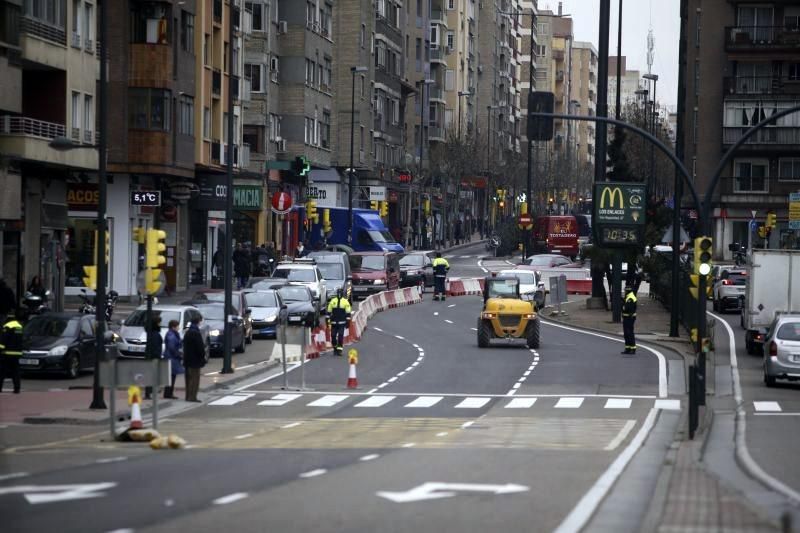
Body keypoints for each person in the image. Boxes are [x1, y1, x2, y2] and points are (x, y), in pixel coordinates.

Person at [183, 315, 206, 402]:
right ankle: (192, 397)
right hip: (195, 360)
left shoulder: (188, 332)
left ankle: (188, 396)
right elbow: (200, 347)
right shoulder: (196, 333)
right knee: (194, 379)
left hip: (187, 359)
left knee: (188, 378)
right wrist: (202, 356)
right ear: (198, 321)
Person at [0, 314, 23, 393]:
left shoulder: (7, 326)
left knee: (2, 372)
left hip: (7, 353)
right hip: (17, 353)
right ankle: (17, 389)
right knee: (16, 372)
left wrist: (1, 349)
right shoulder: (19, 326)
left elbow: (3, 340)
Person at [326, 288, 352, 356]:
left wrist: (348, 322)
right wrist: (327, 321)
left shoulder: (345, 302)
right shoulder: (332, 301)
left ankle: (340, 350)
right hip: (334, 323)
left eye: (340, 293)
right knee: (333, 336)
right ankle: (335, 348)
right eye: (338, 293)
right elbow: (328, 312)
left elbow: (348, 313)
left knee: (340, 336)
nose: (339, 294)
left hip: (342, 323)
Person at [163, 319, 184, 399]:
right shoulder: (171, 335)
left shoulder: (173, 334)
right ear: (173, 327)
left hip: (171, 357)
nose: (178, 327)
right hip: (171, 358)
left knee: (172, 376)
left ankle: (169, 393)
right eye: (177, 326)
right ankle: (168, 393)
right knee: (171, 376)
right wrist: (178, 354)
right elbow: (172, 347)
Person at [144, 316, 163, 400]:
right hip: (154, 357)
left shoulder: (150, 332)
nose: (160, 324)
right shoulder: (155, 334)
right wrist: (157, 357)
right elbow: (155, 347)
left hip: (150, 356)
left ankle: (149, 391)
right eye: (159, 322)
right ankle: (149, 392)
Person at [622, 285, 638, 354]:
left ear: (627, 291)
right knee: (626, 334)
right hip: (626, 318)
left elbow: (627, 309)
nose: (624, 292)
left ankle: (632, 348)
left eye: (625, 290)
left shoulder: (631, 298)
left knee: (629, 333)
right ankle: (627, 348)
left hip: (629, 318)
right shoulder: (628, 297)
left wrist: (622, 306)